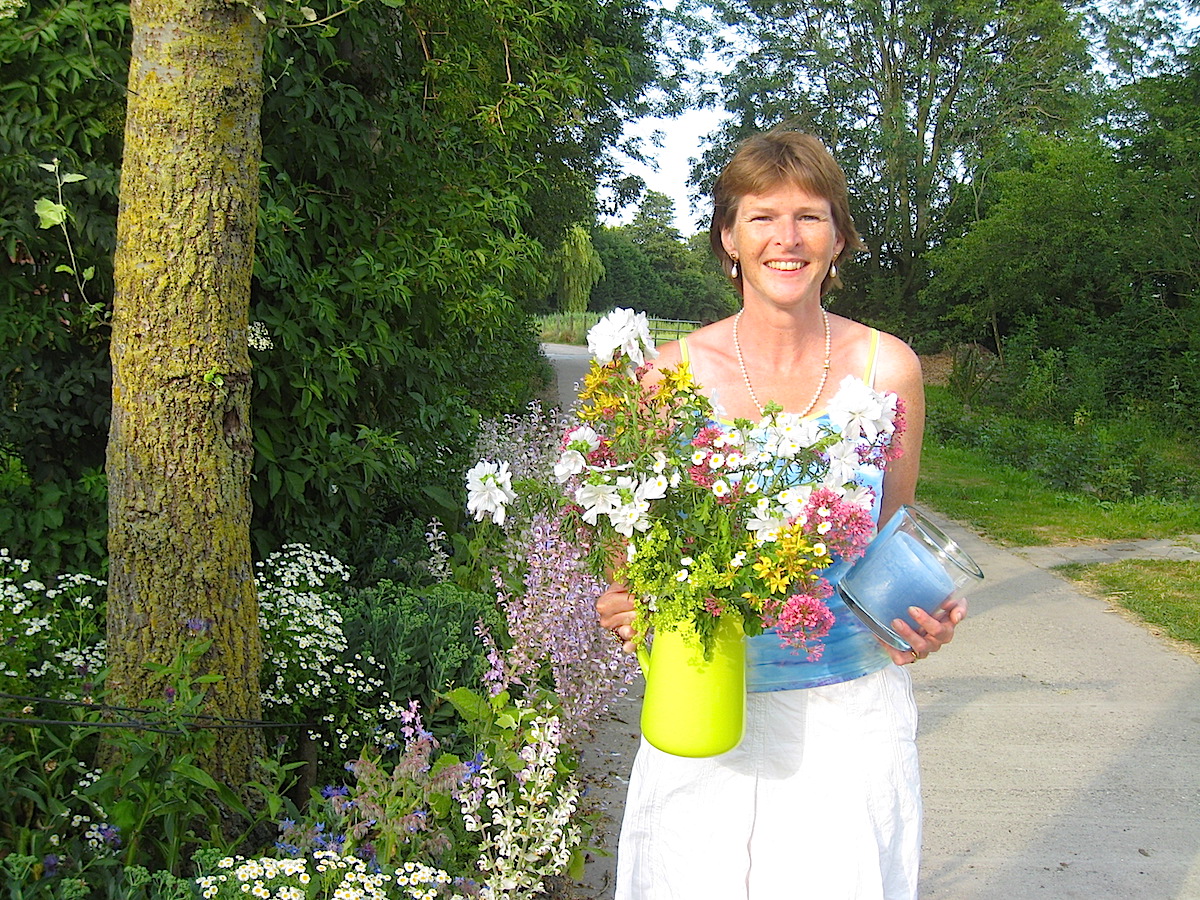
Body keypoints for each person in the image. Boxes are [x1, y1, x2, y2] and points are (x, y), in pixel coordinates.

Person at [595, 130, 967, 899]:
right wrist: (624, 602)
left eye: (811, 216)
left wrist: (917, 619)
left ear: (839, 239)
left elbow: (887, 540)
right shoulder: (665, 376)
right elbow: (626, 557)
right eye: (762, 217)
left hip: (849, 713)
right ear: (728, 237)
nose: (787, 239)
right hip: (703, 701)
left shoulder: (886, 366)